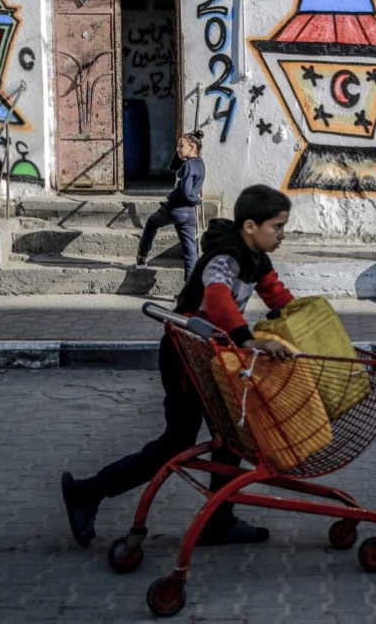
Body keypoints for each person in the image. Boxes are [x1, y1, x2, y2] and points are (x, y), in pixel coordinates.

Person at [63, 184, 297, 548]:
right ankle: (88, 492)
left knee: (230, 438)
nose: (283, 234)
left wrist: (310, 325)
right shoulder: (225, 256)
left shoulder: (256, 258)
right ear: (250, 226)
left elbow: (279, 297)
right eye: (277, 227)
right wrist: (247, 339)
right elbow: (217, 297)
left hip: (211, 356)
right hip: (186, 357)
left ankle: (219, 521)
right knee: (176, 443)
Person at [135, 131, 206, 279]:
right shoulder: (200, 164)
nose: (178, 149)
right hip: (188, 214)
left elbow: (186, 192)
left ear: (192, 147)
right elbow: (173, 167)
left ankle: (141, 257)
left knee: (151, 223)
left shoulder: (188, 167)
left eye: (181, 146)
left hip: (174, 209)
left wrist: (197, 200)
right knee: (190, 251)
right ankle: (190, 290)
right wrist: (179, 154)